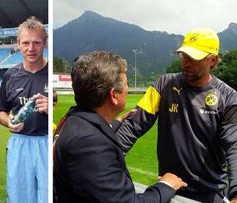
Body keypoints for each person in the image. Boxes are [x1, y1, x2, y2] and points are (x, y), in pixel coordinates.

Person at [117, 27, 237, 202]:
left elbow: (234, 146)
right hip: (169, 190)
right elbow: (132, 126)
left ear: (213, 60)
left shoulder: (229, 98)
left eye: (194, 58)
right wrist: (104, 158)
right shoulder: (163, 84)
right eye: (184, 56)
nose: (186, 63)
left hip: (210, 195)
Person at [53, 51, 187, 203]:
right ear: (114, 95)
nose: (128, 89)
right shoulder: (89, 143)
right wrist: (165, 185)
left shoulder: (71, 119)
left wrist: (112, 124)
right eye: (126, 84)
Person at [0, 16, 48, 203]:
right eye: (25, 43)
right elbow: (0, 111)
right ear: (18, 44)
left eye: (36, 42)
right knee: (19, 196)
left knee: (48, 195)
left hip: (47, 142)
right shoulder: (11, 75)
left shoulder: (52, 74)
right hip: (20, 143)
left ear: (45, 43)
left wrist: (51, 109)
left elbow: (73, 114)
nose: (31, 48)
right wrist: (8, 121)